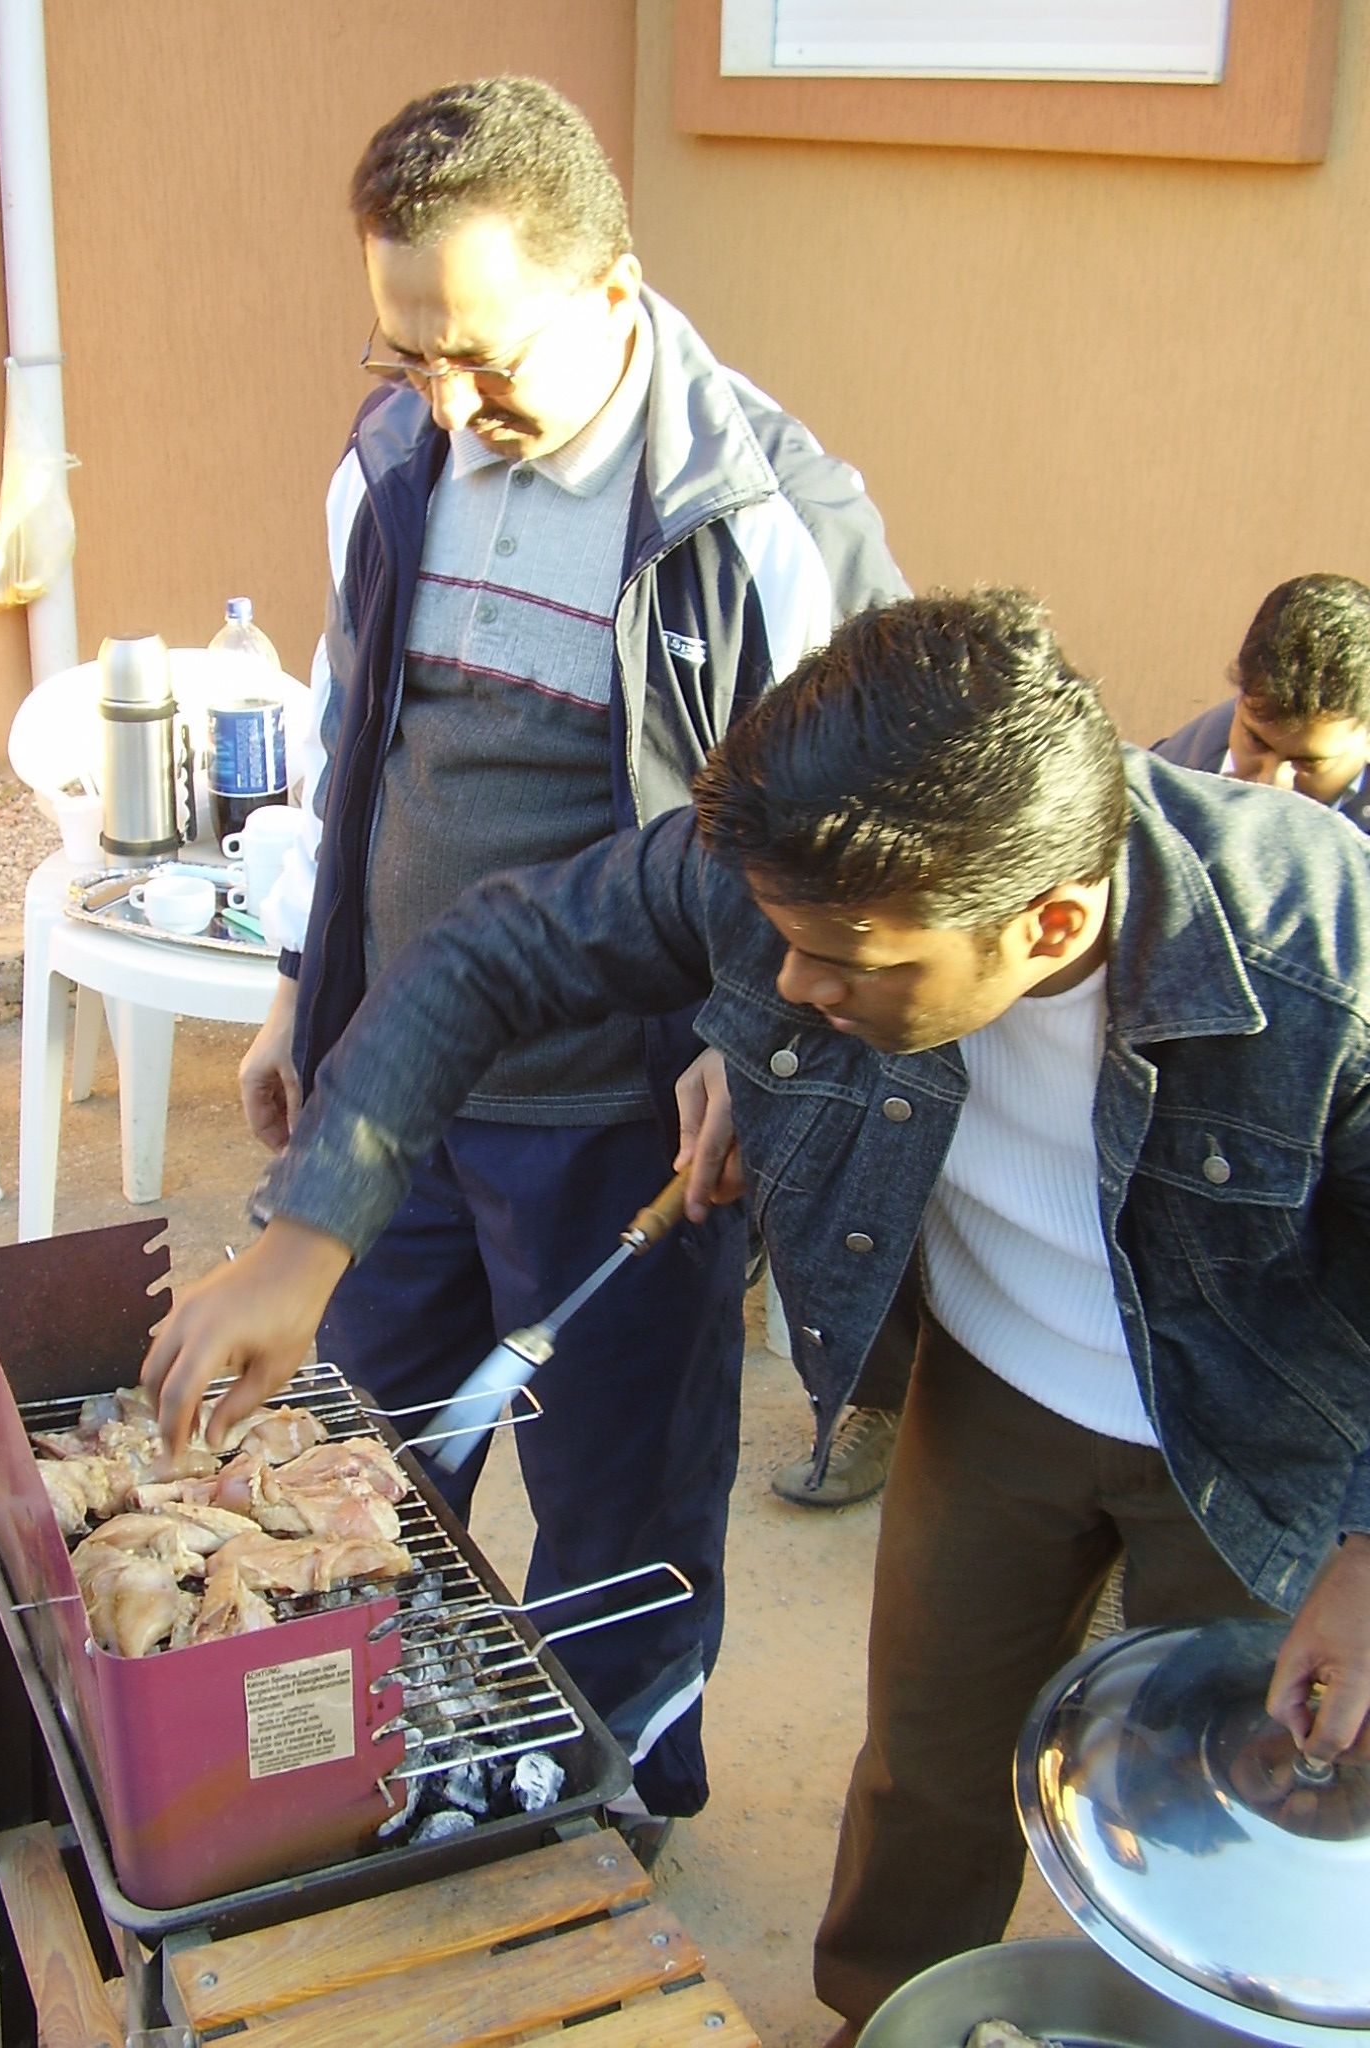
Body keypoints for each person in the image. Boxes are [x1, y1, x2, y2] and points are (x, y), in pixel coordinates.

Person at [147, 589, 1370, 2041]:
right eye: (778, 944)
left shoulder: (1320, 958)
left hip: (1274, 1441)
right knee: (931, 1755)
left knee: (1241, 1819)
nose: (788, 983)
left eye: (846, 960)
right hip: (993, 1393)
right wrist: (304, 1241)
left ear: (1046, 924)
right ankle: (887, 2017)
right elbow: (487, 955)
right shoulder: (810, 877)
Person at [234, 76, 907, 1835]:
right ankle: (386, 1765)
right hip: (403, 1087)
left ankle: (607, 1809)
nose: (446, 404)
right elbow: (349, 734)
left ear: (612, 289)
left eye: (480, 356)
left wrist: (749, 1041)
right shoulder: (393, 461)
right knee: (369, 1461)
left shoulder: (760, 519)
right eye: (406, 355)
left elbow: (836, 852)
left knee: (618, 1514)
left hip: (624, 1120)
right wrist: (301, 985)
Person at [1155, 572, 1370, 833]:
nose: (1273, 784)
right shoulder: (1160, 789)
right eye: (1257, 742)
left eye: (1308, 763)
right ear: (1240, 701)